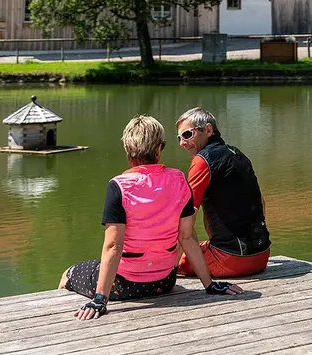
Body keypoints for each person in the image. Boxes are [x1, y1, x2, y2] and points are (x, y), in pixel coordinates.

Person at [58, 115, 243, 321]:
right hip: (164, 282)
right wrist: (209, 285)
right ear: (158, 149)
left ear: (128, 150)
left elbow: (113, 247)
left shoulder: (118, 186)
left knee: (69, 273)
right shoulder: (179, 180)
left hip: (123, 286)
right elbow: (187, 237)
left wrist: (100, 299)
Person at [175, 107, 271, 278]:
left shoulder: (202, 161)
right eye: (179, 137)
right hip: (262, 255)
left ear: (208, 130)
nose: (182, 142)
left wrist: (171, 261)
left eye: (187, 135)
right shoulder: (238, 154)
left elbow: (186, 216)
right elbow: (261, 203)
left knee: (176, 261)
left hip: (230, 260)